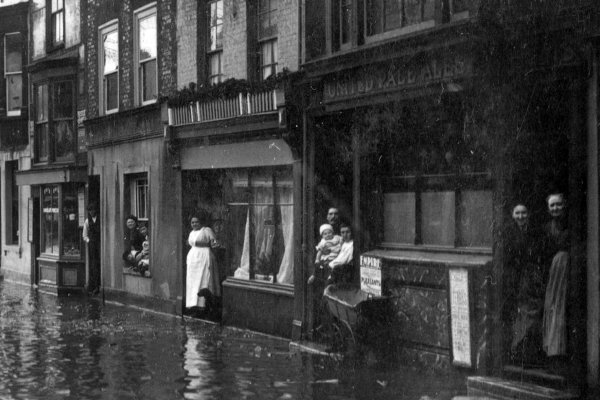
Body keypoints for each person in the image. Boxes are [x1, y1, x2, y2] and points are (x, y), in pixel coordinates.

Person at [504, 203, 545, 365]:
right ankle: (517, 353)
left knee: (531, 315)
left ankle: (529, 355)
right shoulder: (509, 234)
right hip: (515, 279)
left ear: (528, 215)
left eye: (524, 213)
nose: (521, 216)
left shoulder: (534, 233)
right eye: (517, 213)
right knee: (518, 315)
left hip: (530, 278)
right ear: (513, 215)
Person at [542, 193, 569, 358]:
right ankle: (553, 347)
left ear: (564, 205)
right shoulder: (547, 228)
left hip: (565, 266)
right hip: (554, 269)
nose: (555, 208)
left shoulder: (569, 224)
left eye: (558, 204)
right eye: (552, 205)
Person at [186, 213, 221, 314]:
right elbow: (190, 243)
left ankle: (204, 306)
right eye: (192, 222)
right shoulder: (191, 233)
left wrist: (214, 244)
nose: (194, 224)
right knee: (193, 282)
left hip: (204, 257)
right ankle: (193, 305)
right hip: (193, 259)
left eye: (196, 222)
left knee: (204, 280)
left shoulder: (206, 230)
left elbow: (214, 243)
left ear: (201, 222)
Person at [83, 203, 100, 295]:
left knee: (99, 262)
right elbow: (84, 235)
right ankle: (95, 286)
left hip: (100, 244)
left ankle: (99, 286)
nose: (91, 212)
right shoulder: (87, 221)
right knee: (94, 264)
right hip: (93, 245)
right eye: (90, 211)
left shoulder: (100, 219)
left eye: (93, 210)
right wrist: (89, 241)